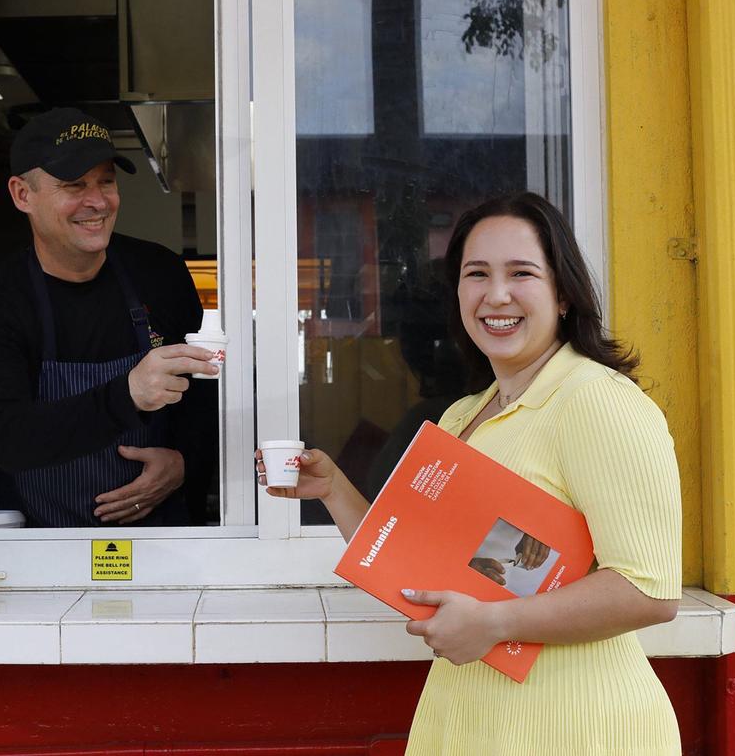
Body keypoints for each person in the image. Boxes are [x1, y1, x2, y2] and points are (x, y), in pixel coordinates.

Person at [257, 192, 682, 753]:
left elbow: (649, 591)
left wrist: (495, 624)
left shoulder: (597, 400)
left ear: (563, 295)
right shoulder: (465, 413)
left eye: (522, 273)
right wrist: (334, 488)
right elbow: (407, 556)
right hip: (475, 721)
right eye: (476, 273)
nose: (496, 294)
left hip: (578, 724)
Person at [0, 108, 218, 527]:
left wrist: (185, 463)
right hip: (40, 544)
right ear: (22, 194)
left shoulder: (159, 273)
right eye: (73, 185)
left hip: (165, 535)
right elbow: (8, 437)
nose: (97, 201)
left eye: (106, 182)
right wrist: (128, 394)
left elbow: (206, 394)